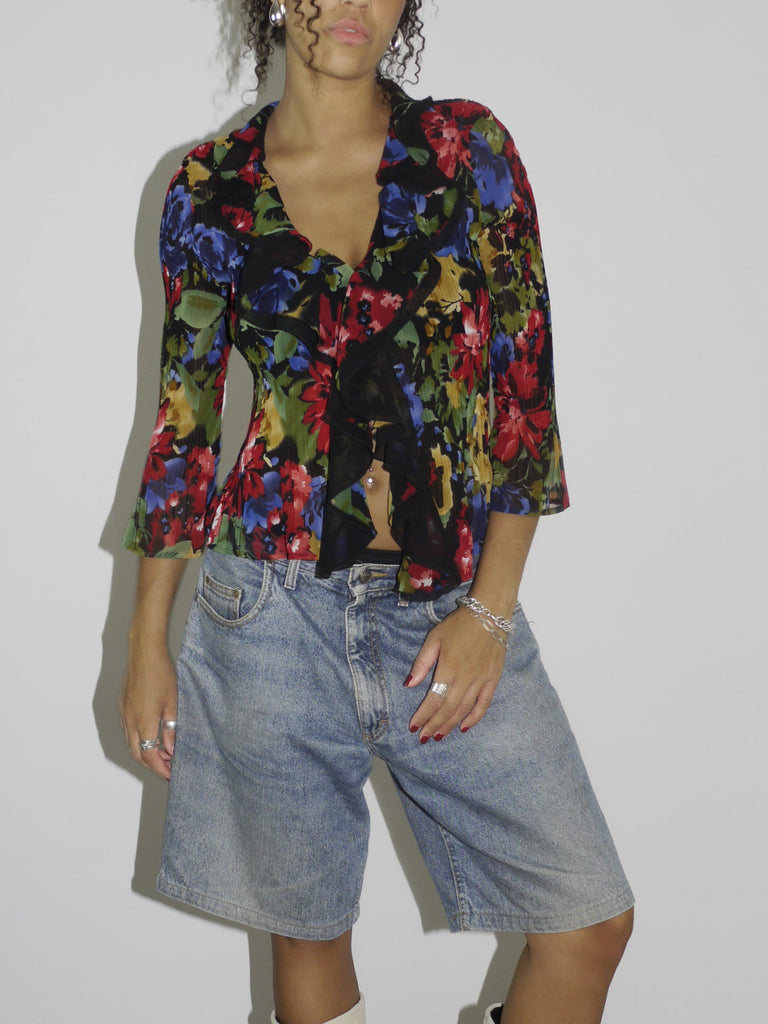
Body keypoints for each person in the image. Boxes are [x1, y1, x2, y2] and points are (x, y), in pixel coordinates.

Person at [120, 2, 634, 1022]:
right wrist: (144, 639)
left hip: (443, 606)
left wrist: (489, 612)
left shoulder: (467, 152)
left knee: (586, 921)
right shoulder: (208, 187)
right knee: (309, 938)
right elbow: (184, 429)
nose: (354, 1)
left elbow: (521, 397)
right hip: (263, 613)